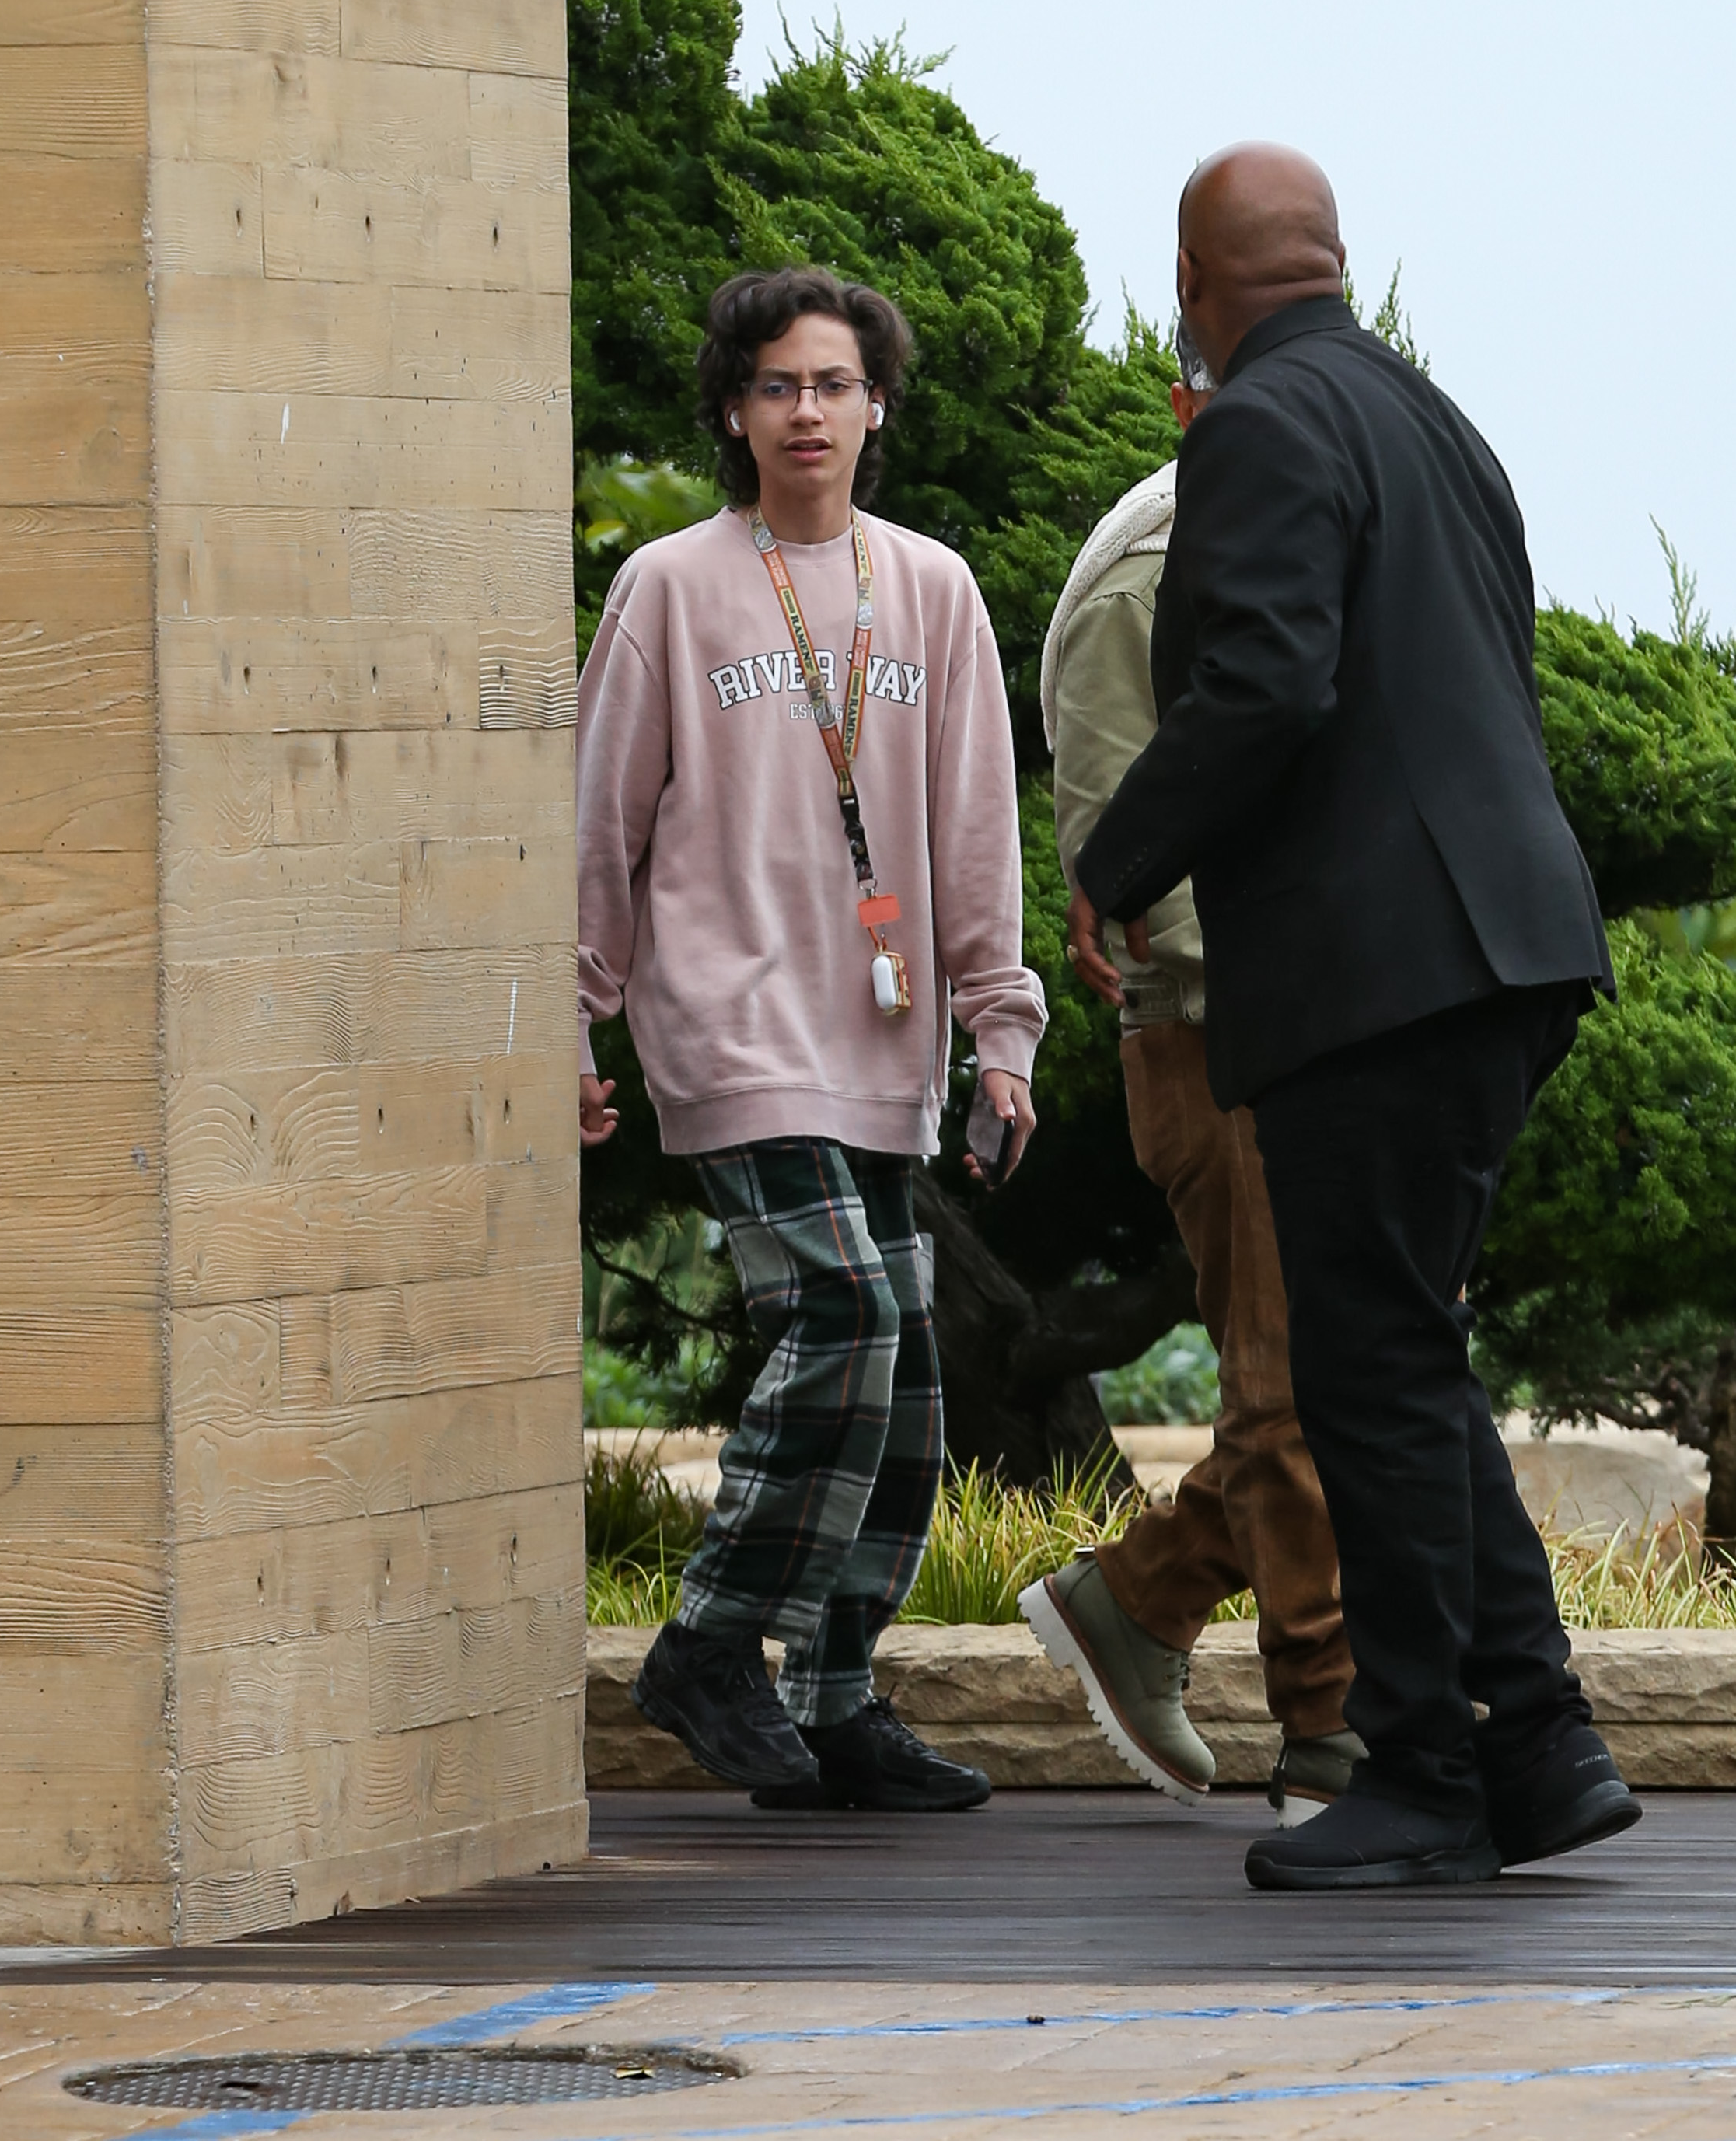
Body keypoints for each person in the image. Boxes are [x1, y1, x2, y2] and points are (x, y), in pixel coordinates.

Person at [1068, 145, 1639, 1891]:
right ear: (1331, 255)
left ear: (1193, 282)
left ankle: (1418, 1773)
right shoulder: (1431, 416)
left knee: (1362, 1364)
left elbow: (1264, 680)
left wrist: (1114, 857)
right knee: (1403, 1351)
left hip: (1373, 971)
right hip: (1507, 947)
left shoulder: (1250, 422)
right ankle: (1533, 1745)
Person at [576, 266, 1046, 1812]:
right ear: (733, 409)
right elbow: (600, 819)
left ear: (874, 406)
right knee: (844, 1307)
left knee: (902, 1374)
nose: (804, 411)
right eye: (775, 385)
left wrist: (1000, 1031)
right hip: (728, 1016)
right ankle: (710, 1641)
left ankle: (839, 1695)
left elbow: (974, 827)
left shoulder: (931, 589)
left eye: (831, 383)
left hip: (884, 1036)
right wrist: (572, 1008)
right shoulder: (670, 585)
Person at [1022, 321, 1357, 1827]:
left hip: (1318, 1026)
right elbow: (1125, 855)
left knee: (1336, 1386)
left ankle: (1136, 1597)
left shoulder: (1284, 535)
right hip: (1219, 1034)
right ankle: (1333, 1741)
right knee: (1291, 1396)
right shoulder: (1146, 566)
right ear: (1198, 410)